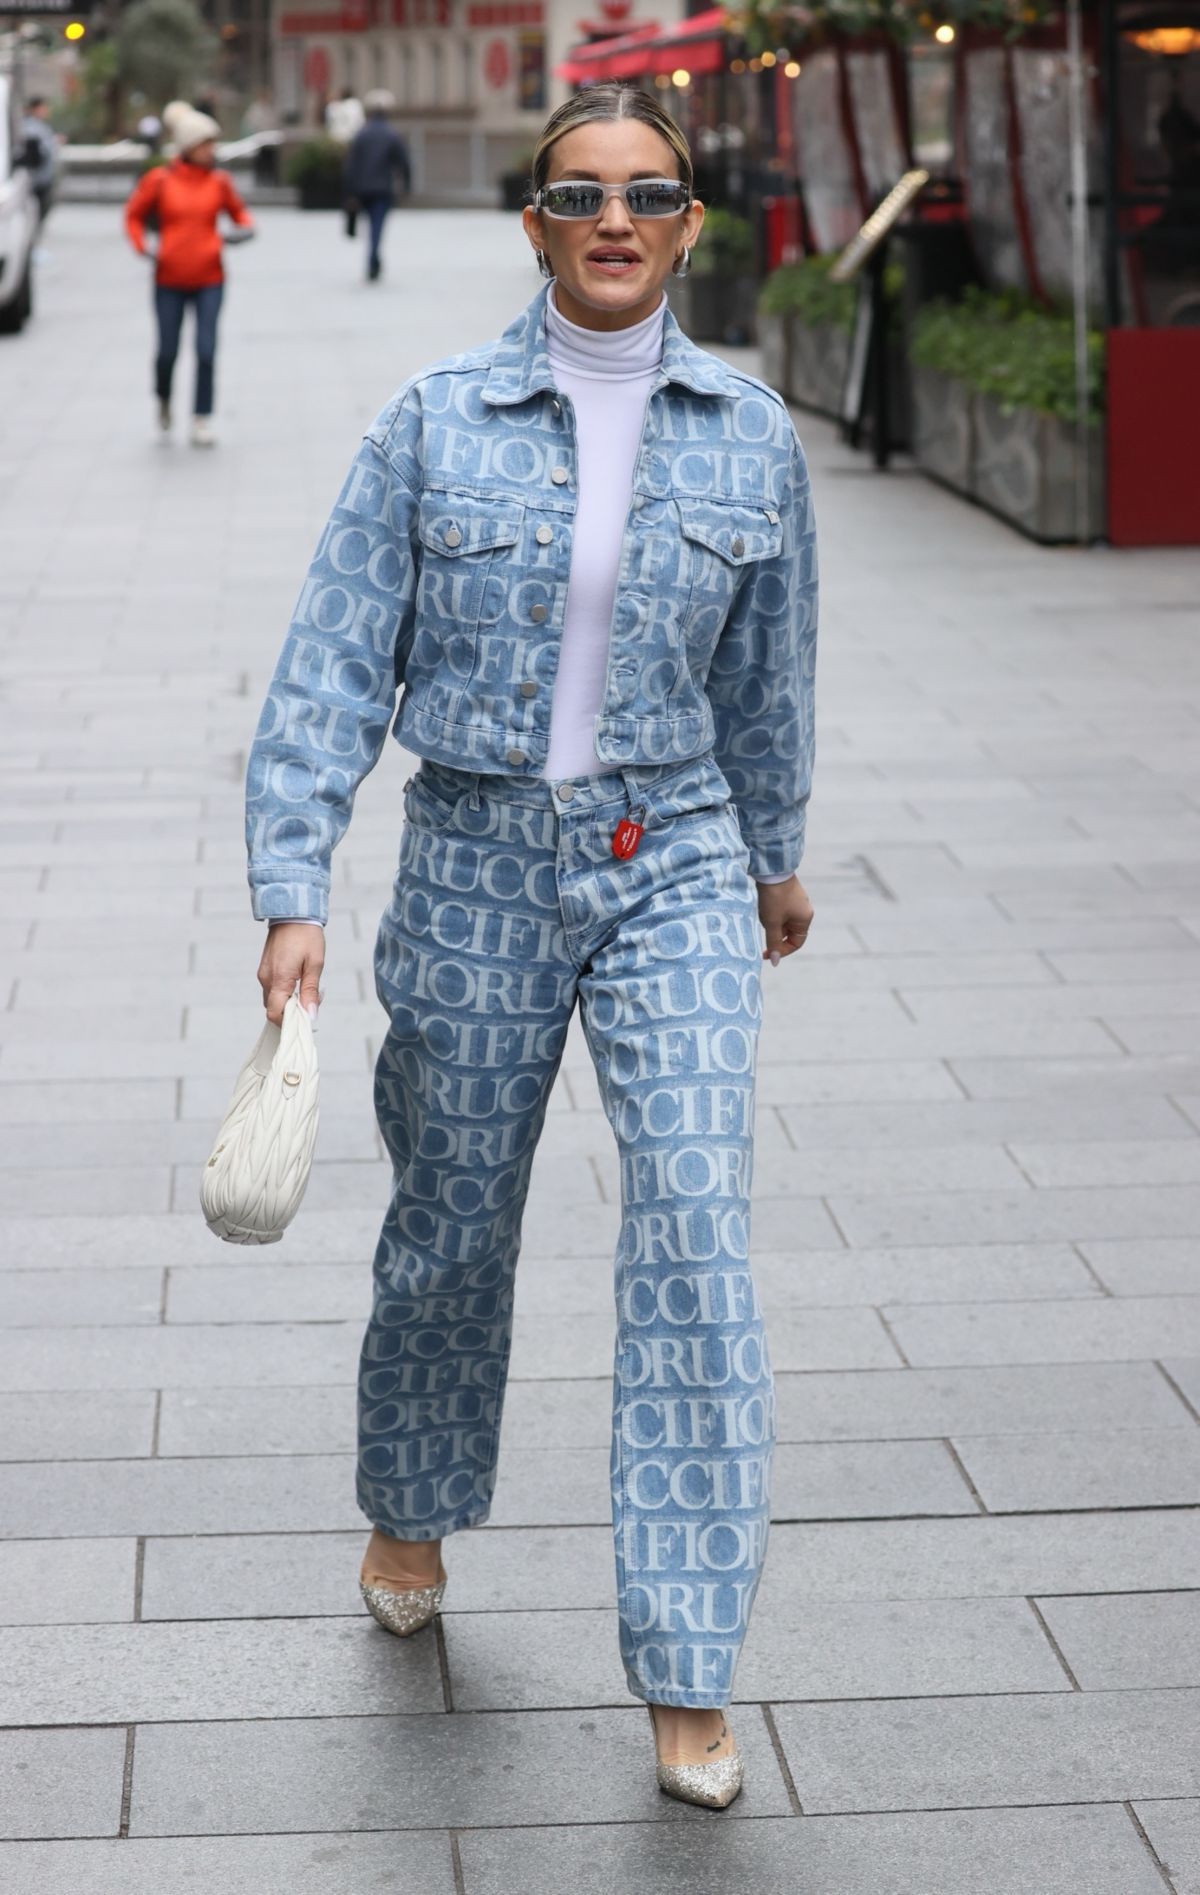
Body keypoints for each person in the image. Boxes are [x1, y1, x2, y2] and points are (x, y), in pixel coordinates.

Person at [246, 83, 817, 1809]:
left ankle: (690, 1664)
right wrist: (293, 888)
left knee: (699, 1219)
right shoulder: (433, 422)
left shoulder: (752, 432)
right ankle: (411, 1503)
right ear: (536, 222)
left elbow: (772, 672)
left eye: (648, 192)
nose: (615, 218)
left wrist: (775, 862)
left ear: (691, 220)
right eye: (580, 192)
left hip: (678, 857)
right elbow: (333, 658)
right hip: (479, 859)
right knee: (451, 1222)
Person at [123, 101, 254, 447]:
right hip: (169, 278)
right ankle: (164, 397)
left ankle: (201, 416)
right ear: (187, 146)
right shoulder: (160, 180)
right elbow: (133, 215)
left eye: (213, 143)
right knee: (167, 351)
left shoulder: (220, 182)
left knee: (207, 349)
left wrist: (241, 231)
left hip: (210, 277)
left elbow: (241, 216)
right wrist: (143, 246)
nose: (211, 150)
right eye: (205, 143)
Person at [343, 89, 410, 282]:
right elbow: (403, 162)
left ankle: (372, 256)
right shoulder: (391, 134)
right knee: (377, 225)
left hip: (362, 188)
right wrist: (406, 184)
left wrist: (348, 191)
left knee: (369, 224)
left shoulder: (361, 134)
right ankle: (373, 256)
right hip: (382, 188)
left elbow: (351, 165)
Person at [20, 97, 57, 226]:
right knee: (36, 212)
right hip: (36, 178)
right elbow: (37, 150)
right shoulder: (30, 126)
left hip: (44, 176)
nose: (46, 111)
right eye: (43, 108)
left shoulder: (40, 126)